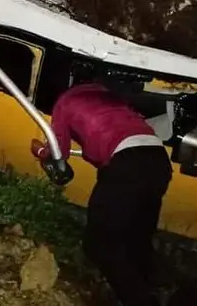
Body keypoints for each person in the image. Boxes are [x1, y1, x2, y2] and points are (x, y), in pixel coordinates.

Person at [30, 64, 172, 306]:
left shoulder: (65, 101)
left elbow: (58, 153)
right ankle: (161, 285)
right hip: (158, 161)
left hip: (127, 163)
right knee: (139, 237)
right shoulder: (113, 97)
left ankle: (142, 300)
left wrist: (39, 149)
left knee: (99, 245)